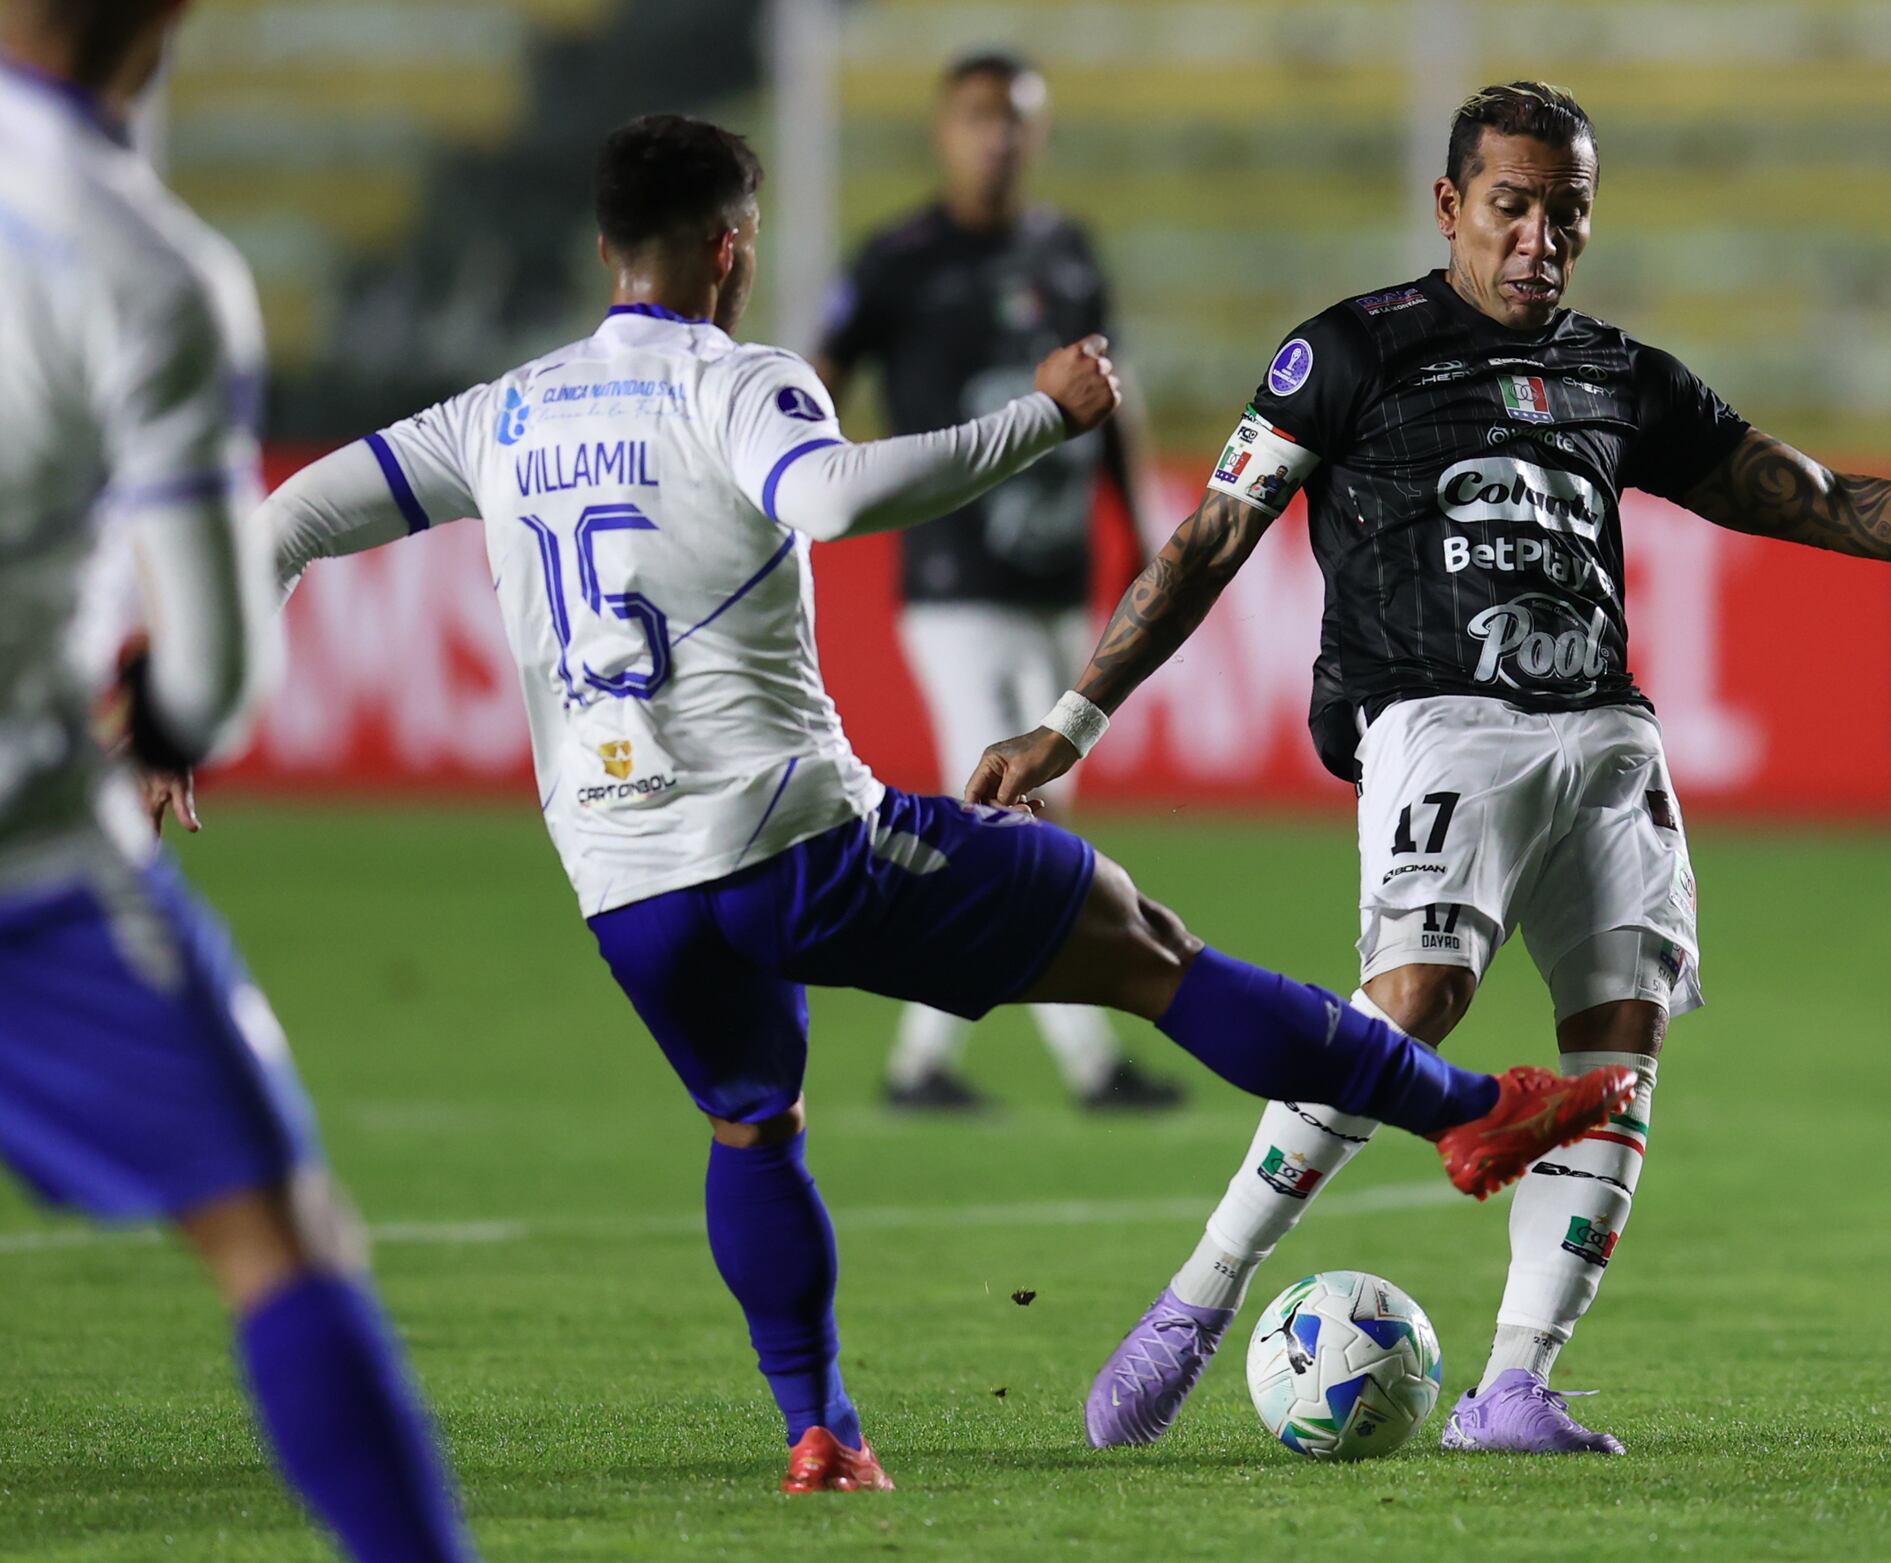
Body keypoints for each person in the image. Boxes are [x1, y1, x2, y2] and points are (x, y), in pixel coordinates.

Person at [251, 113, 1644, 1495]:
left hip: (623, 885)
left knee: (753, 1120)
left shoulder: (502, 410)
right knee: (1142, 941)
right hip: (797, 843)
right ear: (732, 251)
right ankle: (1467, 1106)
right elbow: (832, 496)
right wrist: (1044, 414)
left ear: (607, 246)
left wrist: (186, 702)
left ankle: (825, 1431)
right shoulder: (737, 384)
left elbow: (289, 520)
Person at [966, 81, 1891, 1458]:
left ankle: (1516, 1382)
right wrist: (1074, 717)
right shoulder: (1349, 353)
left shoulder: (1623, 375)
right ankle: (1196, 1298)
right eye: (1514, 206)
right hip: (1439, 719)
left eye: (1568, 212)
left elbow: (1825, 500)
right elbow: (1207, 545)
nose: (1541, 237)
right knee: (1408, 1004)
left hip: (1608, 735)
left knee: (1620, 1045)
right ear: (1450, 207)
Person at [0, 3, 476, 1558]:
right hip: (28, 862)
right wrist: (161, 717)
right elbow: (212, 669)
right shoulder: (149, 265)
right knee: (274, 1231)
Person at [814, 51, 1180, 1114]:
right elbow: (818, 378)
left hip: (1054, 578)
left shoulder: (1066, 252)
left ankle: (920, 1061)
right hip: (951, 577)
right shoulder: (899, 260)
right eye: (980, 118)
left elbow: (1115, 395)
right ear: (944, 131)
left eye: (1016, 120)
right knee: (1024, 809)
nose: (999, 138)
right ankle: (1091, 1064)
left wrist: (1145, 525)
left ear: (1040, 133)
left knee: (1009, 815)